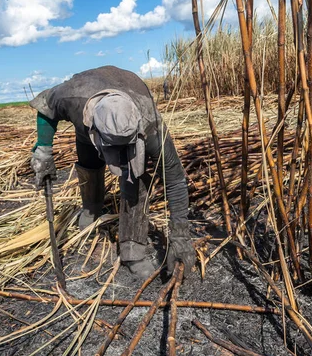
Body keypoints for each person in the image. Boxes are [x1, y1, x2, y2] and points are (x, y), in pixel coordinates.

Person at [29, 66, 195, 279]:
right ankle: (91, 211)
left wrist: (181, 237)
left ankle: (132, 249)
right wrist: (44, 149)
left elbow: (175, 179)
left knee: (135, 178)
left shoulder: (150, 123)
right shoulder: (72, 96)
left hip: (133, 113)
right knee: (89, 163)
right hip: (88, 122)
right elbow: (46, 108)